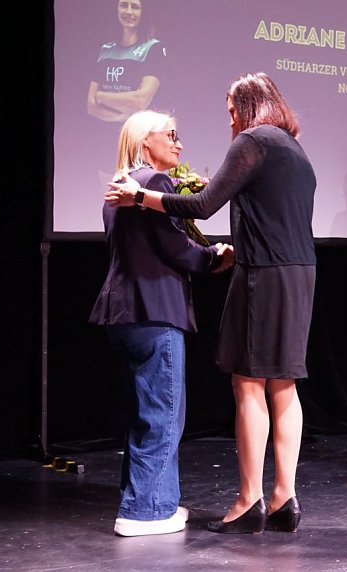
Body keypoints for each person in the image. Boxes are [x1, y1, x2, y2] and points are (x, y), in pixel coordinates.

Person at [105, 72, 316, 534]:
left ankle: (249, 500)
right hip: (301, 273)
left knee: (248, 383)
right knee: (284, 385)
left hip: (263, 273)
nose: (230, 122)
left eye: (230, 113)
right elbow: (257, 200)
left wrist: (142, 196)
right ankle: (285, 496)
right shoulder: (291, 146)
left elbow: (202, 206)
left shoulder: (252, 141)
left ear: (247, 107)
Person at [89, 110, 234, 537]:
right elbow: (175, 248)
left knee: (144, 414)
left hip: (124, 315)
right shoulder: (152, 185)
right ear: (144, 141)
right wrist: (215, 258)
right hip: (154, 312)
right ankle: (145, 512)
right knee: (163, 415)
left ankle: (152, 500)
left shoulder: (119, 189)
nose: (179, 144)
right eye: (171, 135)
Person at [87, 0, 167, 124]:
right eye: (124, 5)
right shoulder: (105, 50)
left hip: (139, 135)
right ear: (117, 9)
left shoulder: (153, 48)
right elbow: (91, 106)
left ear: (143, 12)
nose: (128, 11)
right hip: (103, 136)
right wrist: (121, 117)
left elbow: (140, 101)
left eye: (135, 7)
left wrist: (101, 96)